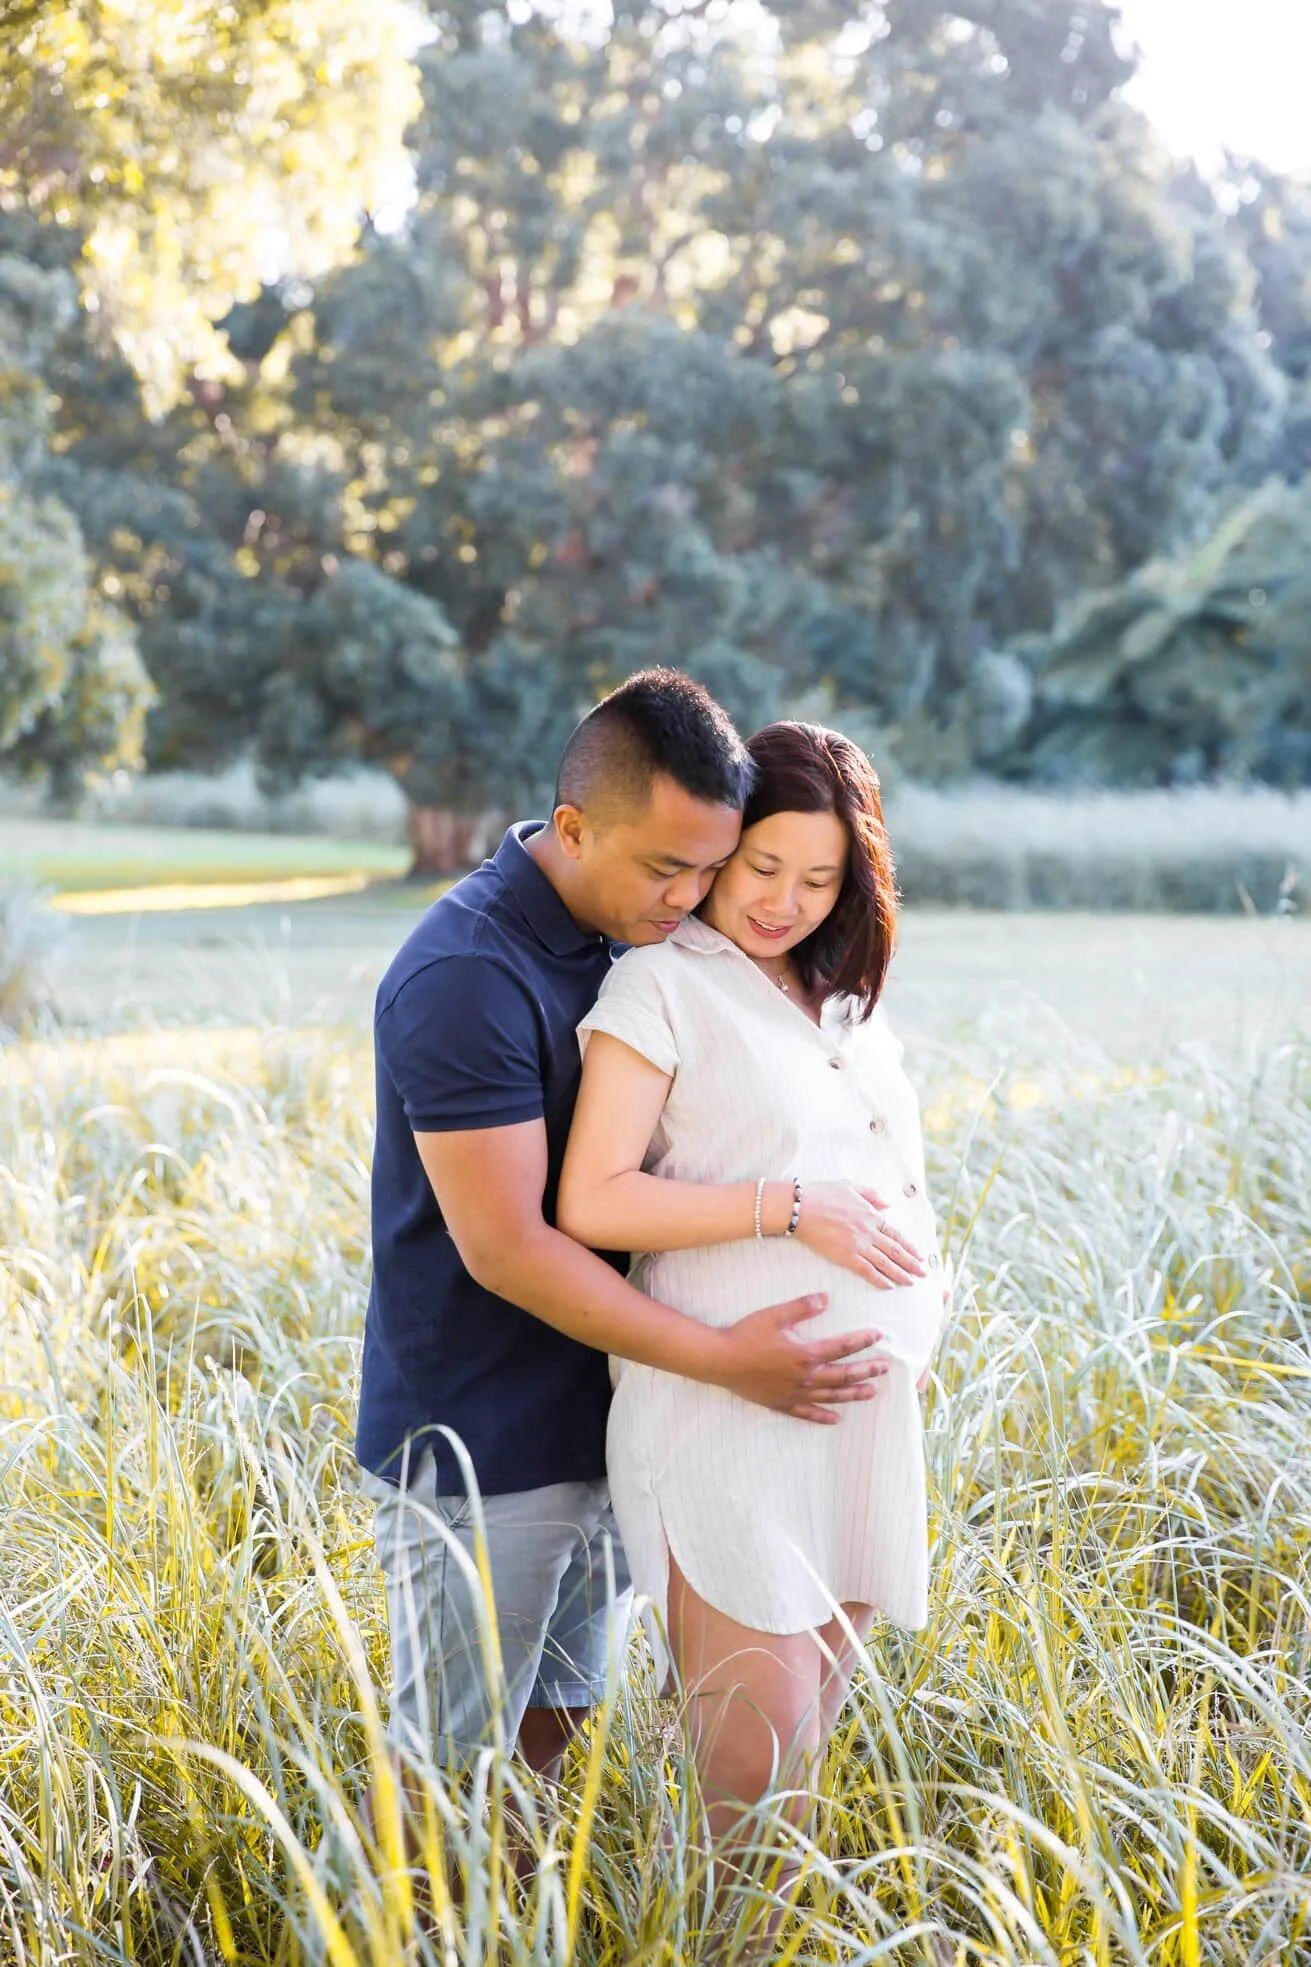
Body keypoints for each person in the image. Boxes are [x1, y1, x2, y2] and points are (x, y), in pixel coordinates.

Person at [354, 672, 898, 1795]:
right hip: (481, 1442)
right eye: (667, 866)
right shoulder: (467, 974)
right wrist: (729, 1360)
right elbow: (507, 1245)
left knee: (552, 1734)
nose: (691, 893)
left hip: (612, 1413)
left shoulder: (632, 934)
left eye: (711, 864)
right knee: (445, 1767)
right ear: (572, 826)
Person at [557, 720, 949, 1928]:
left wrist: (931, 1285)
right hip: (722, 1422)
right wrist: (792, 1210)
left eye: (818, 877)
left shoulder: (839, 1001)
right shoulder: (660, 983)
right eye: (762, 865)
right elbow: (593, 1197)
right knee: (755, 1780)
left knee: (789, 1786)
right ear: (720, 851)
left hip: (853, 1430)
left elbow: (892, 1173)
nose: (783, 899)